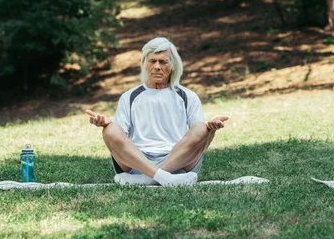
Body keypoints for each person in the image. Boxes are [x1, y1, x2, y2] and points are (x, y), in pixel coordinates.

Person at [87, 37, 229, 186]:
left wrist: (210, 131)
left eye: (163, 62)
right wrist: (106, 124)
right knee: (110, 130)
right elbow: (120, 139)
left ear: (173, 65)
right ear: (145, 65)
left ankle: (149, 179)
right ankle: (164, 178)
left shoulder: (188, 96)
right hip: (137, 163)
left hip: (178, 162)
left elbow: (200, 143)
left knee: (201, 127)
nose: (157, 66)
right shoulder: (129, 96)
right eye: (152, 61)